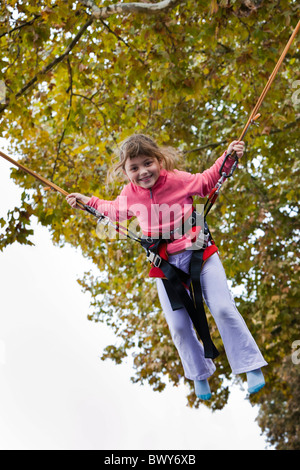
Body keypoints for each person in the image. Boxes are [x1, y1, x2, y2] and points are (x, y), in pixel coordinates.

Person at [66, 134, 267, 400]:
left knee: (222, 308)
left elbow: (208, 180)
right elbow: (112, 210)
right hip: (167, 266)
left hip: (200, 253)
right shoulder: (129, 195)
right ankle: (200, 374)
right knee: (179, 327)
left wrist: (229, 157)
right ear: (126, 172)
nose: (143, 171)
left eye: (147, 163)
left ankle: (250, 365)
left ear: (159, 160)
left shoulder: (177, 179)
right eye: (134, 168)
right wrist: (87, 202)